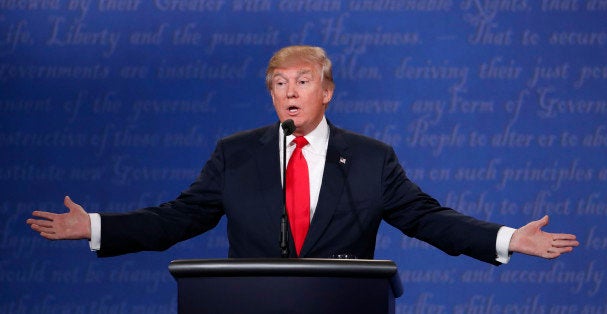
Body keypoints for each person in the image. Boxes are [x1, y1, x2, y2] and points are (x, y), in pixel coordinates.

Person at [27, 45, 578, 263]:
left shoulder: (370, 159)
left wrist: (509, 237)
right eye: (279, 83)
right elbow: (177, 218)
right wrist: (96, 227)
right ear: (271, 93)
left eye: (303, 81)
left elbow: (429, 220)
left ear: (327, 91)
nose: (289, 92)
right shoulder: (236, 155)